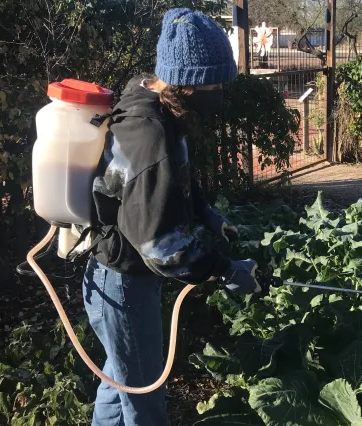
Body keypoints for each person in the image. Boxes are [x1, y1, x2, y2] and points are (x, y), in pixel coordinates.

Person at [82, 8, 260, 426]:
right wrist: (225, 269)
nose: (219, 90)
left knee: (120, 381)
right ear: (189, 81)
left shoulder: (153, 103)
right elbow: (161, 247)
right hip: (123, 282)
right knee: (145, 399)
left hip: (117, 276)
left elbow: (171, 181)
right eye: (214, 81)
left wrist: (207, 214)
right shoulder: (151, 135)